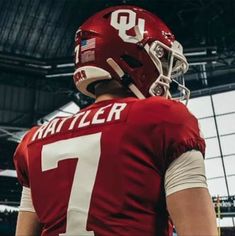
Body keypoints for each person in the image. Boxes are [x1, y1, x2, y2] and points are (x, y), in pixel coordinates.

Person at [14, 5, 218, 236]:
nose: (166, 76)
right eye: (161, 60)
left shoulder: (34, 141)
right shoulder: (163, 119)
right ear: (131, 57)